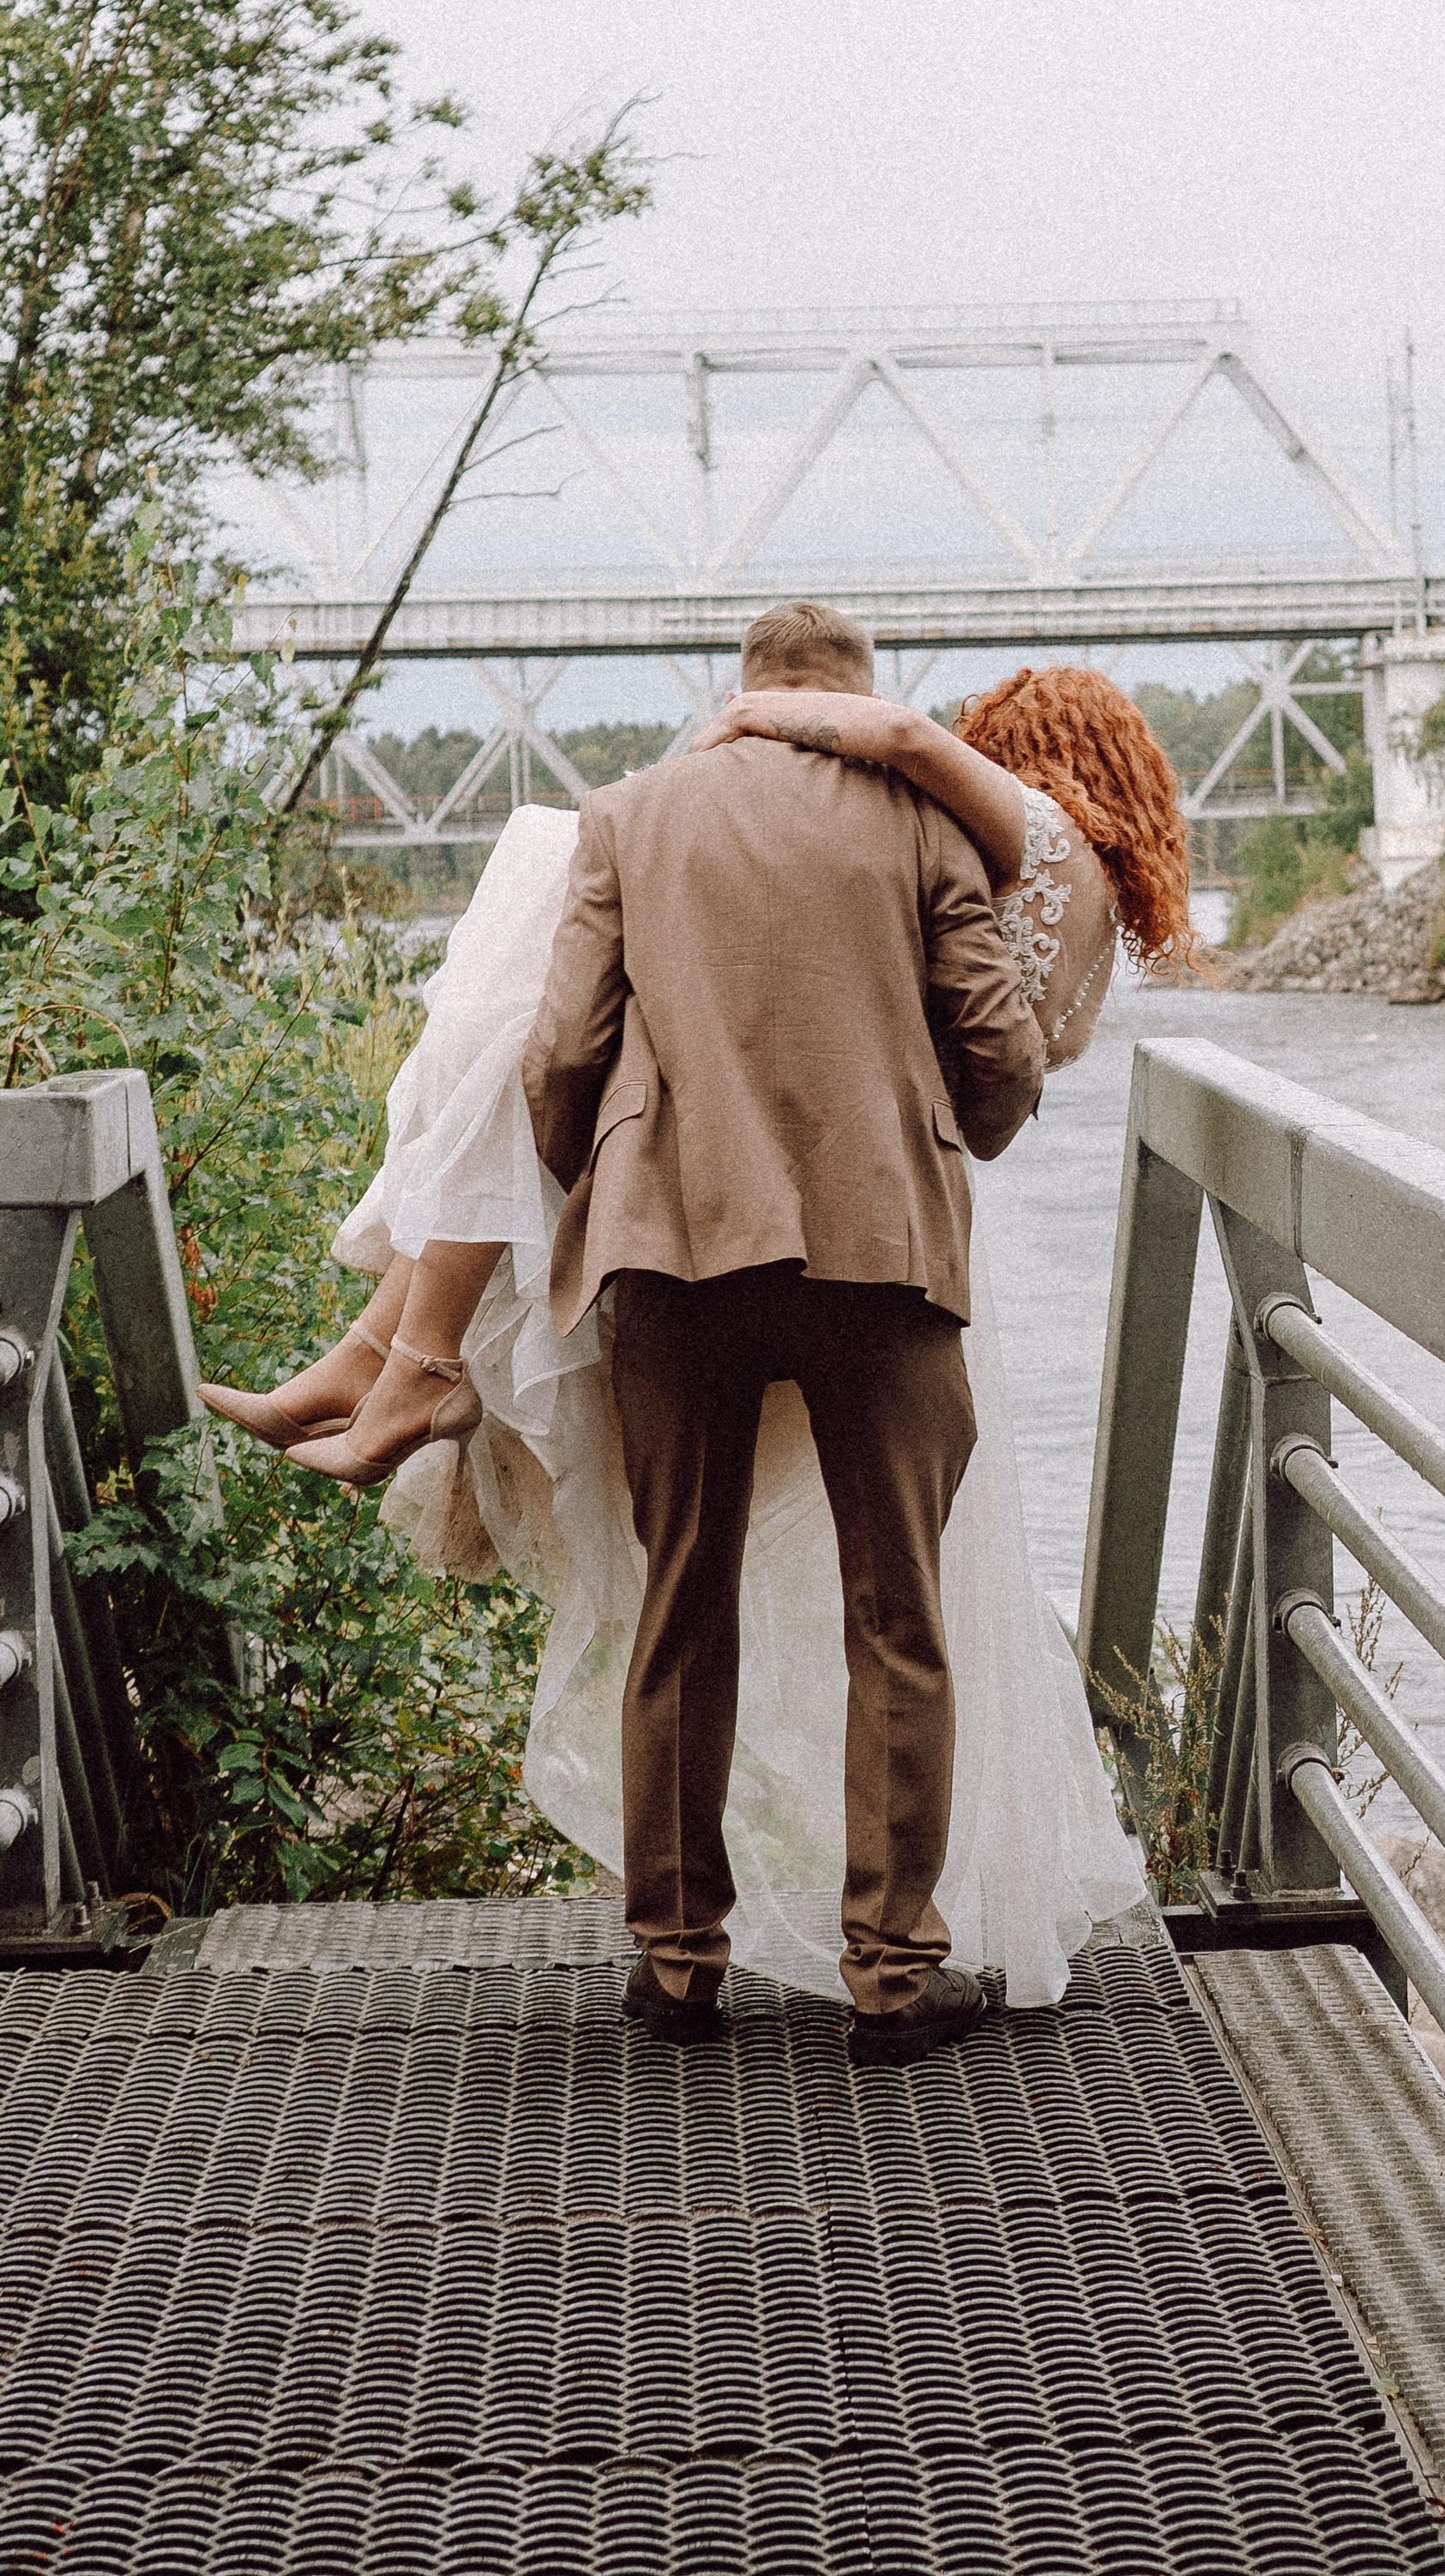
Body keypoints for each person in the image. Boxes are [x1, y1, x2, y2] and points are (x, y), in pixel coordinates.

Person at [199, 611, 1179, 2037]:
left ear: (745, 695)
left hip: (674, 1261)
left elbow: (563, 1052)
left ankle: (676, 1965)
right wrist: (940, 1140)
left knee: (681, 1607)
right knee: (897, 1621)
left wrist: (607, 1184)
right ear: (852, 700)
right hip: (883, 1264)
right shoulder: (923, 832)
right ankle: (893, 1976)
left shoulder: (628, 815)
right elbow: (993, 1051)